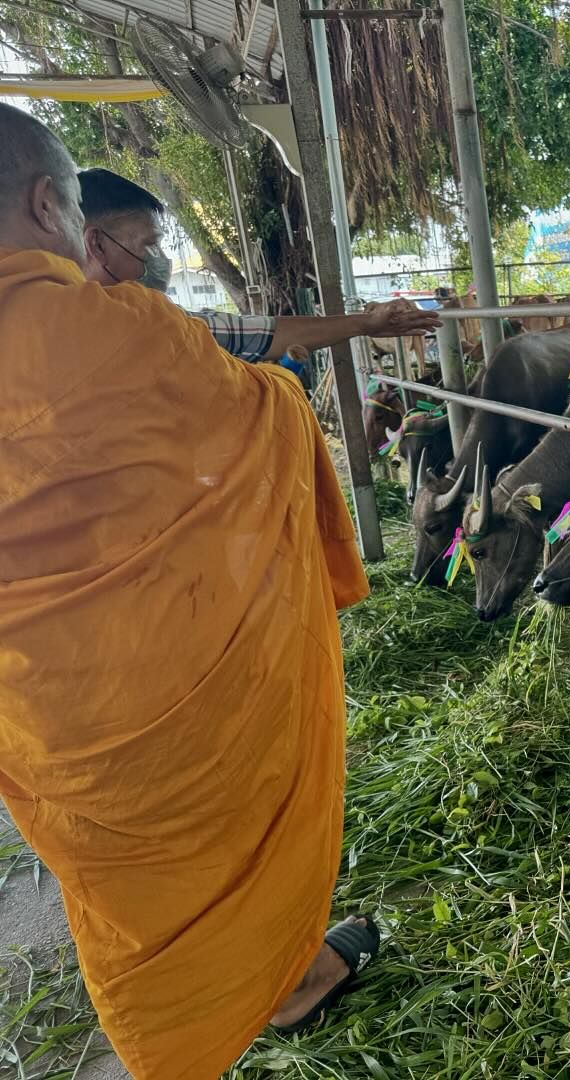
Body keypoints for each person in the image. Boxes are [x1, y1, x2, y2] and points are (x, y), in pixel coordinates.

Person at [0, 104, 377, 1078]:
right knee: (239, 813)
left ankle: (201, 1016)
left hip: (48, 708)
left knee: (121, 881)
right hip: (173, 673)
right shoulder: (121, 332)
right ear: (50, 204)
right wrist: (292, 395)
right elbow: (262, 414)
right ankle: (274, 982)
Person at [77, 167, 439, 362]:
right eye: (149, 245)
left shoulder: (155, 321)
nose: (158, 260)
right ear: (97, 244)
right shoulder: (86, 332)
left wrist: (365, 323)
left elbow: (253, 333)